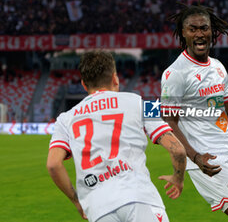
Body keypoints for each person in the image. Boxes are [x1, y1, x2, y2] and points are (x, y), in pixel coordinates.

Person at [161, 4, 228, 222]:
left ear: (212, 31)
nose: (199, 34)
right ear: (183, 33)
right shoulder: (175, 73)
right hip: (207, 159)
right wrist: (195, 157)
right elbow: (169, 122)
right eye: (192, 29)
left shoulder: (218, 68)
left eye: (204, 28)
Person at [47, 51, 186, 222]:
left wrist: (77, 202)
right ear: (115, 78)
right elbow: (178, 150)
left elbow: (53, 165)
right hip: (139, 197)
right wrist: (178, 179)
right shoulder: (142, 103)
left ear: (84, 84)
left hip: (98, 208)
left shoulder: (65, 119)